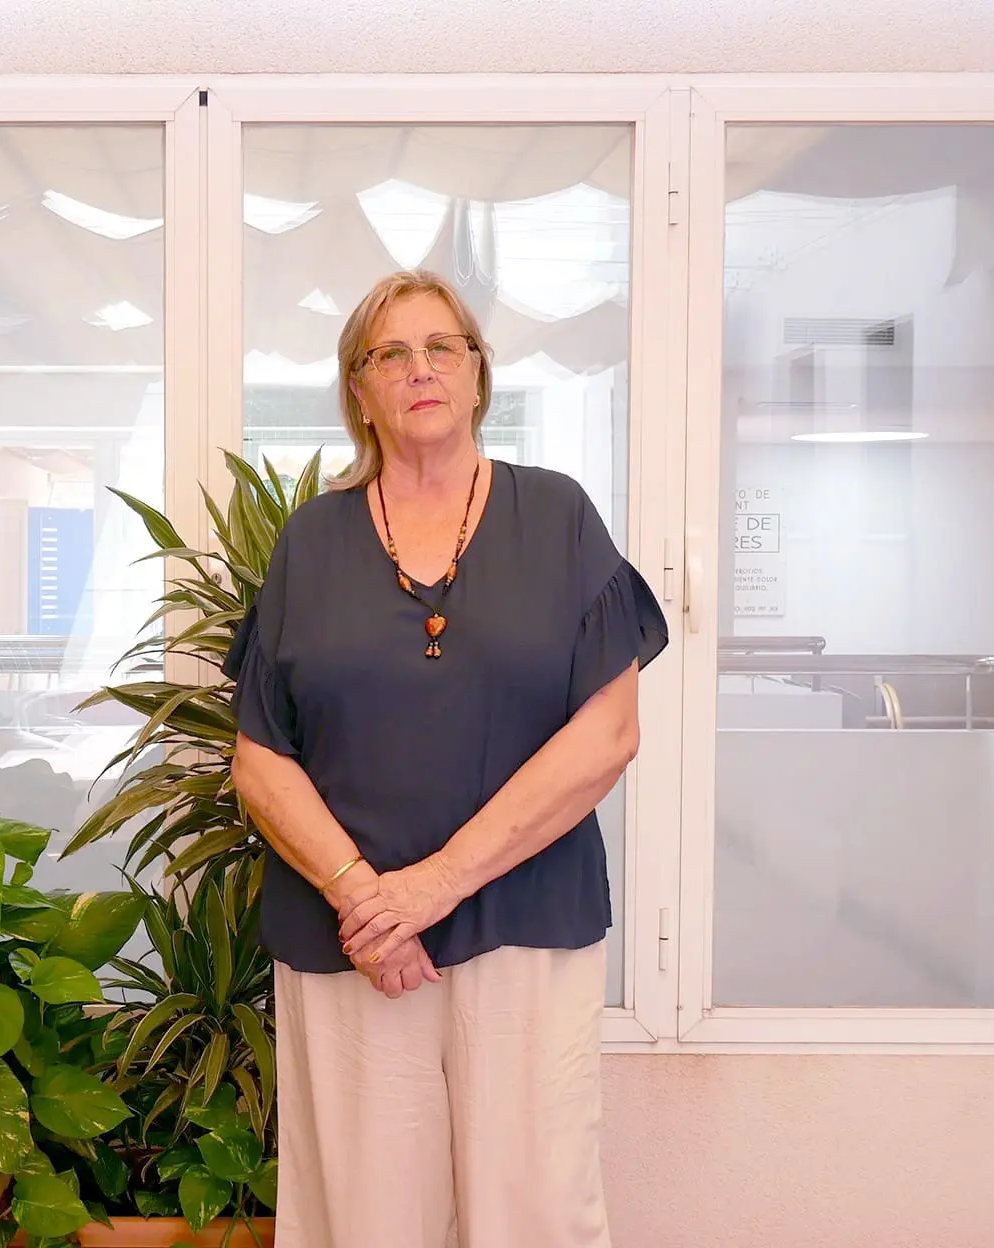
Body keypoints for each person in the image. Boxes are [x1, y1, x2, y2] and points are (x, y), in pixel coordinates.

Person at [223, 269, 668, 1248]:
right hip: (350, 940)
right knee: (364, 1217)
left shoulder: (556, 517)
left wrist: (431, 886)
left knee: (534, 1210)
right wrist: (366, 902)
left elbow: (608, 735)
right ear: (359, 390)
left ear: (476, 375)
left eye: (440, 347)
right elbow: (259, 757)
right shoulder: (310, 541)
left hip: (524, 924)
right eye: (389, 353)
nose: (418, 369)